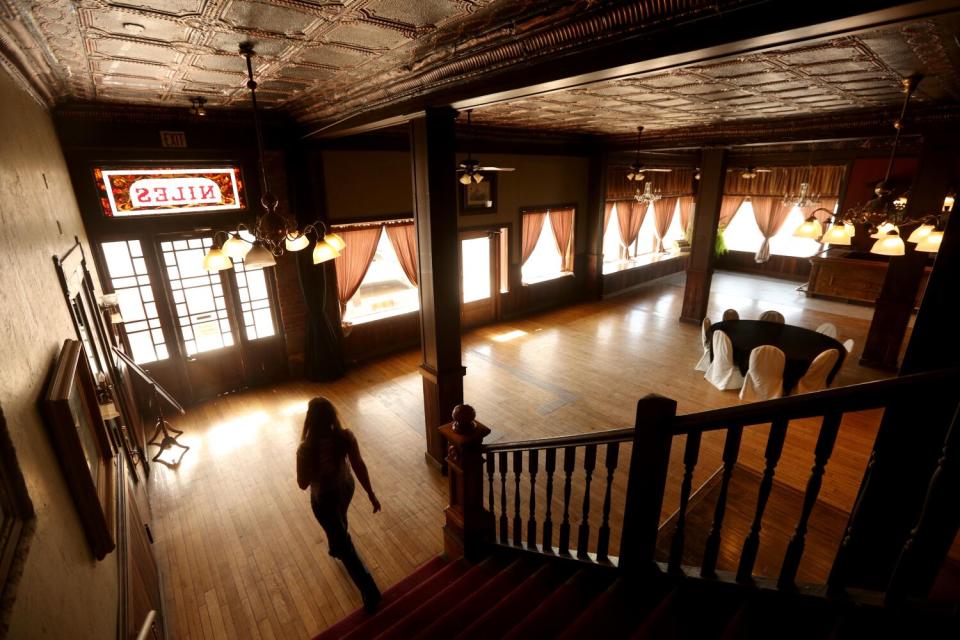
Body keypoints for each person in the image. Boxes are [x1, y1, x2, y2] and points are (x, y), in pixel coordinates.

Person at [297, 397, 382, 613]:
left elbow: (302, 484)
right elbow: (359, 465)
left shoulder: (305, 449)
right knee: (338, 520)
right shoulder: (345, 437)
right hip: (346, 488)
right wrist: (371, 494)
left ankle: (369, 589)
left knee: (342, 542)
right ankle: (337, 542)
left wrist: (313, 468)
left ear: (310, 421)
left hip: (323, 498)